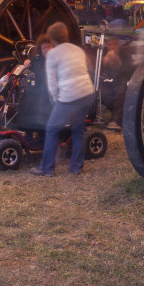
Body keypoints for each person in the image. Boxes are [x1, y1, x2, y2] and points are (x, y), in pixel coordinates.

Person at [30, 21, 94, 177]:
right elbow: (87, 69)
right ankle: (76, 166)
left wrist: (55, 102)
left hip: (69, 96)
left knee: (52, 129)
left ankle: (47, 168)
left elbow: (52, 83)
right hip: (86, 93)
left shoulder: (52, 54)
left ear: (52, 39)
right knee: (78, 130)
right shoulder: (78, 50)